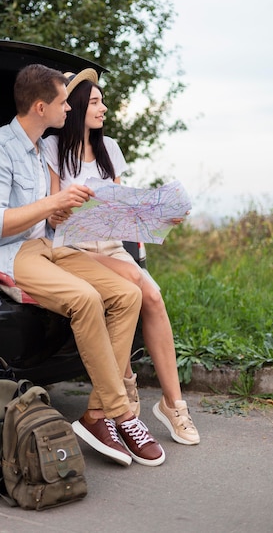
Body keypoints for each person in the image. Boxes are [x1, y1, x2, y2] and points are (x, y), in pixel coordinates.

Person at [0, 63, 165, 467]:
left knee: (127, 295)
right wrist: (54, 204)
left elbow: (46, 218)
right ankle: (122, 413)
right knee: (86, 298)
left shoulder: (42, 149)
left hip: (49, 245)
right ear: (40, 107)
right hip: (13, 251)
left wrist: (64, 210)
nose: (69, 109)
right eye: (62, 102)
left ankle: (94, 414)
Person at [43, 68, 200, 446]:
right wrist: (66, 207)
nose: (104, 108)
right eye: (96, 102)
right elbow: (49, 213)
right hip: (73, 248)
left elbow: (123, 211)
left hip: (110, 246)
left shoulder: (110, 148)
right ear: (79, 107)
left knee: (153, 296)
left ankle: (173, 404)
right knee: (129, 288)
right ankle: (123, 393)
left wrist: (162, 216)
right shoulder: (51, 149)